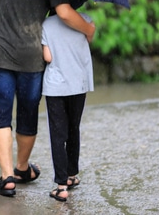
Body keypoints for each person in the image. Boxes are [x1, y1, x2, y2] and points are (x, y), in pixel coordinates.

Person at [0, 0, 95, 197]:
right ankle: (22, 168)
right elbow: (64, 12)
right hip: (31, 56)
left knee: (0, 115)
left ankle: (6, 178)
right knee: (27, 111)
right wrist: (88, 29)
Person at [42, 12, 94, 202]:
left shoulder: (46, 24)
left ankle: (61, 186)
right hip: (79, 84)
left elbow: (47, 57)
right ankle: (72, 175)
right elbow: (88, 40)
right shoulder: (86, 20)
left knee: (58, 134)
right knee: (74, 128)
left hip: (56, 86)